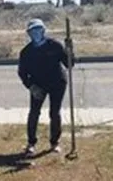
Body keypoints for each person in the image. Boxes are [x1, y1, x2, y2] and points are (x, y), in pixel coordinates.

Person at [18, 18, 75, 155]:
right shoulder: (26, 52)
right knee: (34, 113)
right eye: (32, 31)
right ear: (29, 34)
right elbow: (22, 73)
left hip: (57, 83)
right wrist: (31, 87)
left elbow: (69, 64)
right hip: (38, 85)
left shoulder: (55, 45)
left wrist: (69, 51)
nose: (36, 33)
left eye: (38, 30)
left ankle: (54, 143)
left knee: (54, 113)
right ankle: (31, 143)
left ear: (43, 31)